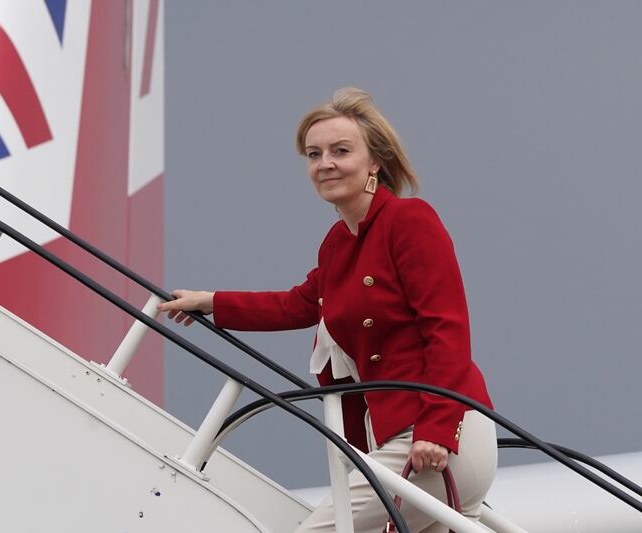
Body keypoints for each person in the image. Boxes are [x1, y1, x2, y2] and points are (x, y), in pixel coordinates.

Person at [158, 87, 497, 532]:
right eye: (313, 154)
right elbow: (298, 304)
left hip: (438, 432)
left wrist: (435, 427)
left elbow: (448, 329)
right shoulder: (338, 245)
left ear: (375, 161)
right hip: (397, 434)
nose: (325, 164)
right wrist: (213, 303)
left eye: (341, 151)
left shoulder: (409, 221)